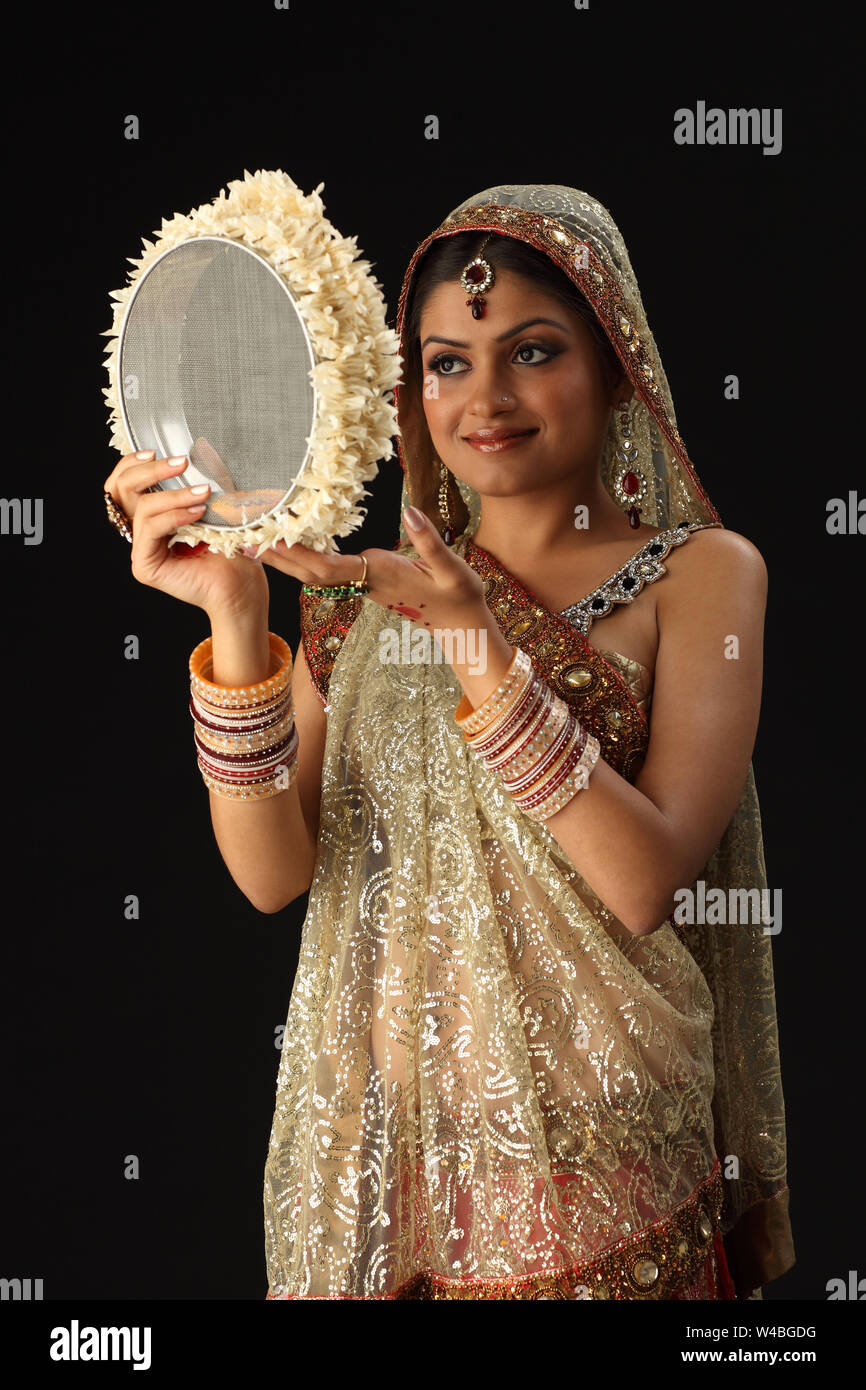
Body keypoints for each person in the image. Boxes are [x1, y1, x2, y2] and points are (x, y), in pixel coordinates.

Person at [104, 182, 794, 1301]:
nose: (486, 398)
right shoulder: (360, 602)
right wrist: (237, 623)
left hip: (613, 1185)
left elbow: (643, 879)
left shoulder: (699, 574)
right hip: (404, 1180)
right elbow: (276, 876)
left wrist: (476, 638)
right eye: (446, 362)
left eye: (531, 351)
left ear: (615, 362)